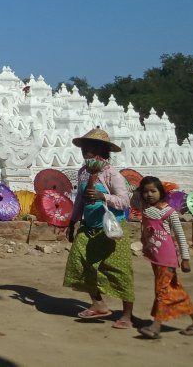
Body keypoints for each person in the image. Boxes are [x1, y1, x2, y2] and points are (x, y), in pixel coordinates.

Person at [63, 128, 135, 329]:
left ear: (101, 150)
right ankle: (98, 303)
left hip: (111, 229)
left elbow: (125, 201)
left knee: (118, 270)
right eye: (84, 147)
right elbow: (79, 199)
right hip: (89, 227)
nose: (85, 151)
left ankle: (127, 315)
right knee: (80, 263)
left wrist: (104, 197)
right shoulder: (83, 173)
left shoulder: (113, 174)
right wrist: (72, 221)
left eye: (90, 147)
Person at [135, 176, 193, 338]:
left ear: (161, 192)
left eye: (153, 191)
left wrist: (186, 258)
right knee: (174, 289)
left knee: (162, 290)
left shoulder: (169, 212)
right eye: (145, 192)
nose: (149, 195)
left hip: (166, 258)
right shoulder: (145, 207)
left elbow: (180, 236)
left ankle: (155, 326)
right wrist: (137, 189)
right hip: (154, 257)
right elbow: (133, 197)